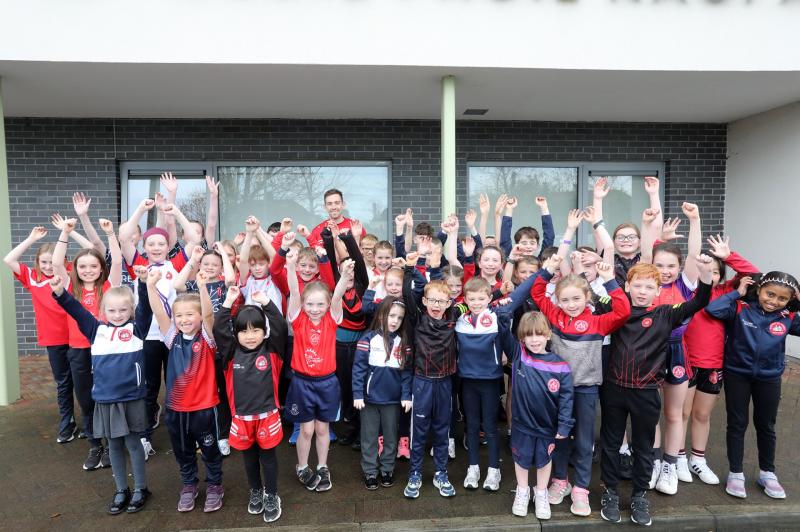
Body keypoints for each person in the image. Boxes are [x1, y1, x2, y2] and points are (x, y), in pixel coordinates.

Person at [599, 256, 715, 527]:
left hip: (647, 391)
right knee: (611, 443)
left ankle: (640, 494)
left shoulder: (666, 313)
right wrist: (590, 272)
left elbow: (699, 302)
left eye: (648, 287)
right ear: (627, 287)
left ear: (658, 291)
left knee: (643, 446)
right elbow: (591, 298)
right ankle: (611, 492)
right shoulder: (617, 309)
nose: (642, 291)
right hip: (614, 389)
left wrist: (706, 275)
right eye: (637, 286)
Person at [532, 255, 630, 517]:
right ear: (557, 301)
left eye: (576, 299)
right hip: (558, 390)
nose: (571, 304)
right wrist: (548, 269)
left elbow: (623, 311)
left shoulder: (599, 322)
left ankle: (581, 490)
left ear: (587, 297)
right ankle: (561, 481)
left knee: (585, 441)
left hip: (586, 389)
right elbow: (537, 291)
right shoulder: (554, 315)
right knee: (560, 437)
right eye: (565, 299)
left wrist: (610, 281)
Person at [51, 267, 153, 514]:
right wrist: (59, 291)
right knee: (114, 446)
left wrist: (142, 283)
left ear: (130, 311)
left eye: (123, 310)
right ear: (102, 312)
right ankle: (121, 489)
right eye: (111, 310)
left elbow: (145, 309)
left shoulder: (137, 330)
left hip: (132, 398)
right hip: (106, 400)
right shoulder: (96, 330)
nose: (117, 315)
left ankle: (140, 488)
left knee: (133, 443)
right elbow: (75, 309)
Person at [705, 271, 800, 500]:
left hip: (769, 378)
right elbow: (712, 309)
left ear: (789, 300)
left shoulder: (788, 317)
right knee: (737, 423)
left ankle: (767, 473)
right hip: (738, 374)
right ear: (758, 290)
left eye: (781, 298)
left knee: (766, 425)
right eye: (770, 294)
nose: (773, 301)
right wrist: (737, 294)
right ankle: (736, 473)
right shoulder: (740, 308)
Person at [119, 198, 201, 455]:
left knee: (178, 381)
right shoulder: (138, 265)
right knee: (150, 385)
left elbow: (194, 238)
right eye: (151, 244)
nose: (156, 247)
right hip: (149, 336)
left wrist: (175, 211)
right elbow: (123, 238)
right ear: (144, 246)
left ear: (168, 247)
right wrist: (142, 210)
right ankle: (145, 437)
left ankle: (185, 429)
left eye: (161, 244)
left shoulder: (175, 264)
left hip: (174, 334)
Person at [681, 235, 758, 485]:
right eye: (706, 271)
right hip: (686, 362)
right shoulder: (688, 292)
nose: (711, 276)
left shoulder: (727, 291)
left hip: (713, 363)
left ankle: (698, 459)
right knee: (682, 412)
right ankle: (678, 456)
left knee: (702, 415)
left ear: (721, 275)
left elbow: (754, 274)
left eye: (715, 272)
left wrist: (728, 256)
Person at [145, 269, 224, 513]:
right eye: (179, 315)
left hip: (204, 409)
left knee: (210, 450)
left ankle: (214, 486)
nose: (184, 319)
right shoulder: (172, 338)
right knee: (183, 451)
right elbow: (159, 312)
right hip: (176, 410)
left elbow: (210, 315)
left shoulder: (208, 339)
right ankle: (189, 484)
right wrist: (150, 286)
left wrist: (202, 288)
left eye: (190, 314)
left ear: (199, 317)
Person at [457, 269, 540, 493]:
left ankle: (494, 469)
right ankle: (473, 467)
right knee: (472, 427)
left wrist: (545, 270)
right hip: (467, 381)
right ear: (465, 299)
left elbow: (522, 292)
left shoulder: (496, 314)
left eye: (481, 299)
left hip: (490, 381)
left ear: (490, 298)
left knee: (492, 428)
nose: (476, 303)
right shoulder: (459, 319)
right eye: (471, 299)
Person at [640, 202, 702, 495]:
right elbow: (643, 254)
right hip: (648, 351)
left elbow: (692, 253)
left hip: (677, 351)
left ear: (679, 268)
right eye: (660, 265)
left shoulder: (687, 287)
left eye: (670, 266)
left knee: (674, 413)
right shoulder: (646, 284)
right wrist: (646, 226)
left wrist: (695, 219)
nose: (665, 271)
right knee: (651, 413)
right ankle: (652, 462)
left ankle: (669, 464)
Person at [52, 216, 123, 470]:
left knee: (109, 399)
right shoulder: (71, 287)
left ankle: (111, 444)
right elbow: (57, 262)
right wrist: (65, 233)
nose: (88, 270)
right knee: (86, 399)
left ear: (100, 268)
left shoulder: (109, 285)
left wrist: (111, 234)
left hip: (106, 352)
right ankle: (95, 446)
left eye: (93, 266)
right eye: (83, 266)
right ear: (76, 269)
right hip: (80, 351)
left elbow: (116, 259)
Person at [214, 285, 287, 523]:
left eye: (256, 330)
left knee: (268, 458)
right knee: (249, 458)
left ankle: (272, 495)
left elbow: (280, 326)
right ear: (236, 335)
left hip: (268, 417)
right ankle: (256, 490)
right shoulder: (230, 354)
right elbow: (218, 328)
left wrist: (266, 302)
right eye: (244, 331)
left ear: (263, 332)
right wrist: (228, 302)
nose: (250, 335)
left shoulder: (273, 351)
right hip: (241, 419)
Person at [283, 249, 352, 492]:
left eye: (319, 304)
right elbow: (293, 290)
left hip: (327, 383)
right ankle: (302, 466)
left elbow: (338, 295)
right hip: (302, 383)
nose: (314, 308)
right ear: (302, 305)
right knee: (307, 428)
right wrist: (291, 267)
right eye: (310, 304)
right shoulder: (298, 318)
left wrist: (344, 275)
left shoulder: (332, 318)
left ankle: (322, 466)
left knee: (322, 428)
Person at [3, 227, 74, 443]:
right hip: (53, 339)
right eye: (43, 262)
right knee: (63, 383)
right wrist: (31, 238)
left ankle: (91, 425)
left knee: (83, 383)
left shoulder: (66, 273)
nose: (48, 266)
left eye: (51, 262)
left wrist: (66, 233)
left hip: (76, 337)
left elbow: (69, 260)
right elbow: (9, 259)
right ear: (37, 263)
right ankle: (67, 424)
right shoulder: (32, 277)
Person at [504, 311, 574, 520]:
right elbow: (499, 319)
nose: (534, 340)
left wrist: (564, 425)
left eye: (539, 334)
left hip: (547, 427)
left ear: (548, 335)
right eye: (529, 335)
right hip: (522, 425)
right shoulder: (519, 355)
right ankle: (523, 491)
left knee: (544, 461)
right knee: (521, 459)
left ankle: (541, 492)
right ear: (521, 338)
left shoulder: (561, 367)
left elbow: (566, 399)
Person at [352, 297, 413, 489]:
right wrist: (357, 394)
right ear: (380, 315)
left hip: (393, 401)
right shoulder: (367, 339)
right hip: (369, 400)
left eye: (399, 318)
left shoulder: (404, 344)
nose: (395, 321)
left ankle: (387, 469)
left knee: (391, 436)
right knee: (369, 437)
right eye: (391, 315)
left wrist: (405, 395)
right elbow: (358, 369)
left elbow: (407, 373)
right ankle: (370, 471)